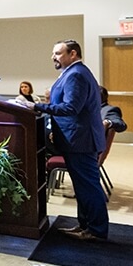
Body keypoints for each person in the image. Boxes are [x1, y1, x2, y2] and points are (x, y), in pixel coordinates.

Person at [32, 40, 110, 241]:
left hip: (80, 141)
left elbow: (70, 108)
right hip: (76, 140)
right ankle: (85, 226)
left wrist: (38, 107)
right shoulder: (73, 72)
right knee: (82, 187)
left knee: (89, 187)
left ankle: (97, 231)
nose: (53, 57)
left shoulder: (76, 74)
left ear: (73, 54)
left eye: (58, 53)